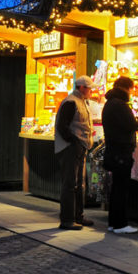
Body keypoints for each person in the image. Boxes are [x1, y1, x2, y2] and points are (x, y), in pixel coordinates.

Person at [102, 76, 138, 234]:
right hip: (121, 152)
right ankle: (121, 224)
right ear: (126, 88)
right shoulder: (120, 105)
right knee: (121, 188)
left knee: (116, 189)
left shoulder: (110, 103)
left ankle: (113, 223)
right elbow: (132, 125)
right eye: (131, 89)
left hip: (113, 151)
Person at [54, 75, 95, 230]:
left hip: (78, 146)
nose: (91, 91)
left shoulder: (80, 102)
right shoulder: (71, 102)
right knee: (70, 184)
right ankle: (67, 219)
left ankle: (78, 216)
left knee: (79, 183)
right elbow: (62, 126)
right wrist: (74, 141)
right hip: (71, 148)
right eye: (89, 88)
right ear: (82, 88)